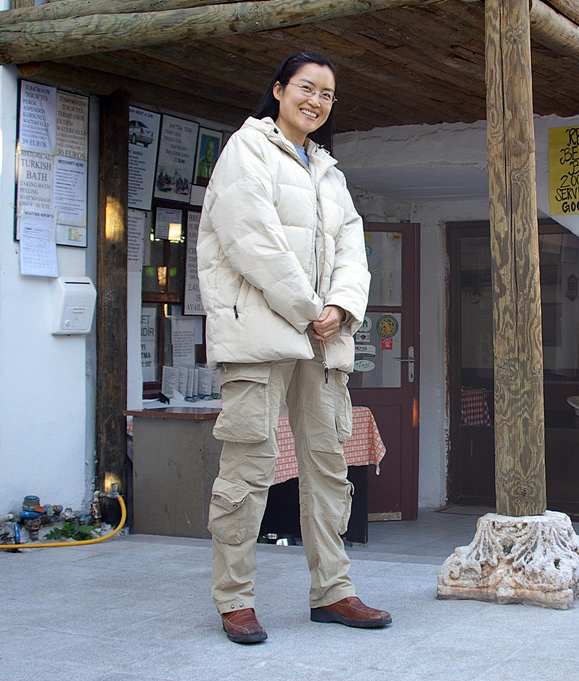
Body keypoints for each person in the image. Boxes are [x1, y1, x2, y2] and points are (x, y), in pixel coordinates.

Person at [196, 52, 390, 645]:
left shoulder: (329, 172)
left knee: (329, 465)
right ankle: (235, 599)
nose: (317, 101)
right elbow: (251, 242)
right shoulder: (246, 150)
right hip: (260, 336)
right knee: (249, 466)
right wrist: (312, 309)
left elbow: (354, 249)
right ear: (279, 90)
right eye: (307, 88)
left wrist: (341, 308)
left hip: (322, 340)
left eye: (327, 94)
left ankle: (333, 590)